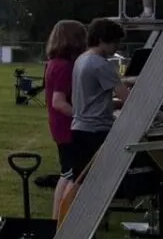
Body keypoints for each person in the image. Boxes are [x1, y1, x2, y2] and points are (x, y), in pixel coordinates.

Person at [66, 18, 130, 177]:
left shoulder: (82, 59)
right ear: (101, 40)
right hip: (96, 132)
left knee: (79, 183)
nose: (117, 46)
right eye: (115, 42)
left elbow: (94, 97)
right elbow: (129, 99)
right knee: (97, 183)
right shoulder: (101, 64)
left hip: (80, 129)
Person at [42, 19, 88, 175]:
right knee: (71, 174)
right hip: (68, 127)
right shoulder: (64, 66)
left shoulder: (53, 63)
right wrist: (84, 116)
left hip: (60, 125)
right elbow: (59, 102)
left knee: (68, 171)